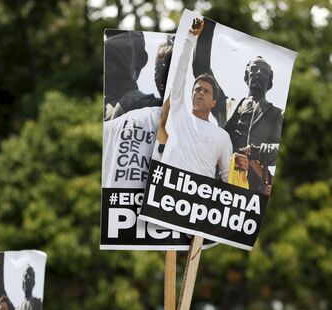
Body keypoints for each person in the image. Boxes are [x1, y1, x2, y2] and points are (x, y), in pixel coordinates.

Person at [193, 18, 282, 194]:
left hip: (253, 186)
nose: (258, 73)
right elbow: (201, 68)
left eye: (264, 72)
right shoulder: (226, 105)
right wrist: (208, 26)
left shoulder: (277, 114)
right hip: (219, 179)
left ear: (270, 82)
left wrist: (257, 151)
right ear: (246, 77)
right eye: (254, 70)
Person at [160, 18, 232, 181]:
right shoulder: (179, 115)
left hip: (196, 201)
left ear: (214, 102)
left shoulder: (222, 136)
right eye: (197, 89)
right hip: (163, 194)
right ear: (191, 94)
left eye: (206, 91)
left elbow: (228, 176)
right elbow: (180, 73)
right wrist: (190, 38)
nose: (201, 93)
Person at [102, 32, 173, 188]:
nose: (110, 43)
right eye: (109, 38)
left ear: (141, 59)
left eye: (122, 37)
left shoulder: (155, 108)